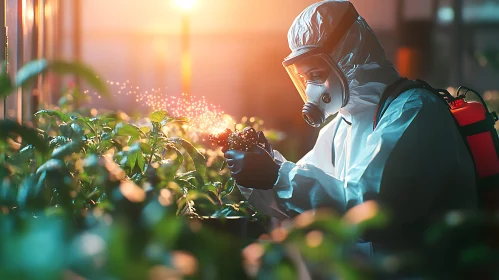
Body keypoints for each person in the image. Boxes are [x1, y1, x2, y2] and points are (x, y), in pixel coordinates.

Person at [224, 0, 477, 254]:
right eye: (304, 78)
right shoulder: (340, 128)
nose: (311, 89)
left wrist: (276, 176)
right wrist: (266, 169)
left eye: (316, 74)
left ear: (348, 58)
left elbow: (368, 211)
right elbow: (303, 202)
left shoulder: (413, 112)